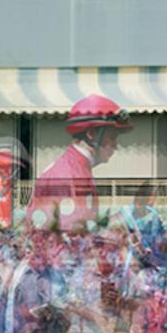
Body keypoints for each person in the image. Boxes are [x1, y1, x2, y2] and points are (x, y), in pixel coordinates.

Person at [26, 95, 132, 233]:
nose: (115, 146)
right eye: (112, 137)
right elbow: (74, 238)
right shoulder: (70, 175)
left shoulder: (77, 168)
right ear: (91, 134)